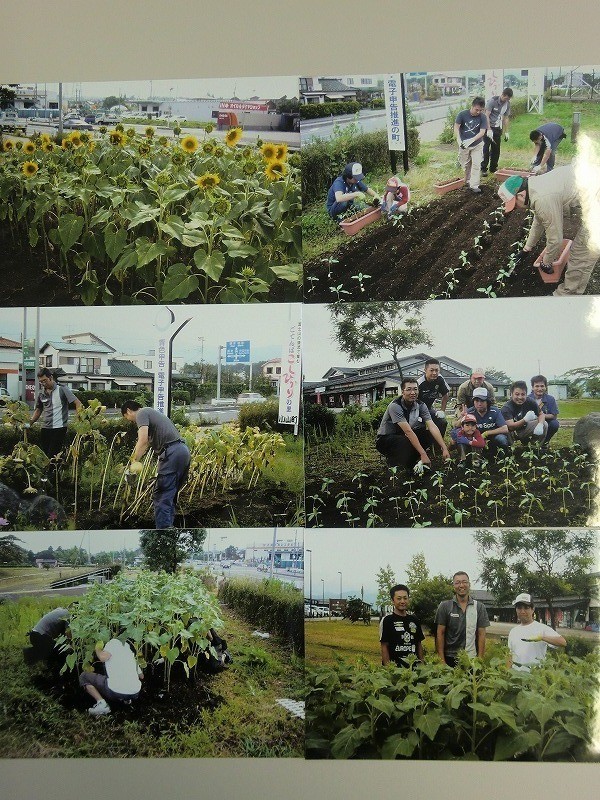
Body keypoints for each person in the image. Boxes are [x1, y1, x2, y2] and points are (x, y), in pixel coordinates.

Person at [498, 167, 600, 294]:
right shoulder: (537, 187)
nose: (516, 208)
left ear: (521, 194)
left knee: (581, 253)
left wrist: (546, 262)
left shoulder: (543, 199)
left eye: (515, 204)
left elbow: (555, 239)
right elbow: (539, 221)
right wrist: (526, 249)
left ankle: (568, 296)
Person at [121, 401, 191, 529]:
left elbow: (142, 440)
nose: (131, 421)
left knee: (162, 495)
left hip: (172, 454)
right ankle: (169, 529)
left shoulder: (141, 413)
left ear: (129, 411)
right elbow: (146, 443)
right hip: (182, 451)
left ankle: (163, 531)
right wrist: (135, 461)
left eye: (127, 418)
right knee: (170, 495)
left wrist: (132, 462)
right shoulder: (151, 413)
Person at [375, 378, 451, 472]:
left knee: (428, 435)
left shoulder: (421, 405)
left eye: (415, 389)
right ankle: (394, 461)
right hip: (386, 439)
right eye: (409, 389)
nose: (413, 392)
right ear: (403, 391)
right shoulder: (395, 406)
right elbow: (408, 431)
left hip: (404, 435)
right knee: (405, 442)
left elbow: (432, 426)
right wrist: (423, 453)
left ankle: (413, 457)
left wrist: (444, 448)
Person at [435, 572, 490, 667]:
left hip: (471, 658)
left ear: (469, 584)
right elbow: (440, 633)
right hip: (449, 657)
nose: (461, 585)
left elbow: (481, 634)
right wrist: (441, 659)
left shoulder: (479, 607)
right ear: (453, 586)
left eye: (464, 582)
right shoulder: (444, 606)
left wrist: (480, 659)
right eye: (457, 582)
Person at [79, 638, 143, 716]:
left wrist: (98, 648)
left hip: (115, 692)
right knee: (122, 678)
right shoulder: (128, 650)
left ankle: (102, 704)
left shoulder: (113, 642)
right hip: (135, 693)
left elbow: (102, 657)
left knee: (84, 676)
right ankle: (126, 700)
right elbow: (141, 676)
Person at [30, 369, 82, 458]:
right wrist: (29, 423)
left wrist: (79, 419)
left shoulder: (62, 389)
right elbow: (38, 410)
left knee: (52, 455)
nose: (43, 383)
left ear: (51, 378)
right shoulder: (41, 393)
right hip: (45, 428)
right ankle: (58, 468)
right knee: (46, 456)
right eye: (41, 382)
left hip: (59, 428)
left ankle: (52, 471)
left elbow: (78, 403)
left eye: (45, 380)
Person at [507, 592, 566, 671]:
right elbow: (510, 655)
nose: (522, 611)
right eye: (519, 608)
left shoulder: (541, 628)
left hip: (535, 678)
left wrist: (542, 637)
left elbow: (563, 642)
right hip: (516, 678)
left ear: (533, 609)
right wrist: (507, 673)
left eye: (526, 608)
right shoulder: (513, 631)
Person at [380, 584, 424, 668]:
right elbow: (384, 646)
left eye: (405, 598)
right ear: (393, 600)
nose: (402, 601)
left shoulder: (414, 620)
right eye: (399, 598)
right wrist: (388, 669)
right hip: (395, 669)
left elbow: (419, 644)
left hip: (413, 669)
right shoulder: (387, 620)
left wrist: (422, 666)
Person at [453, 97, 488, 194]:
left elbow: (482, 132)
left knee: (477, 164)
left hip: (477, 144)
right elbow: (456, 127)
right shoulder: (462, 114)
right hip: (464, 145)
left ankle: (474, 185)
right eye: (477, 109)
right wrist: (459, 140)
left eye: (480, 110)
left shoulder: (483, 117)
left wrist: (472, 139)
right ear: (472, 106)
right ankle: (467, 180)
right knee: (466, 164)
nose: (478, 112)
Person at [465, 387, 510, 454]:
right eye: (477, 401)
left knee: (501, 439)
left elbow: (504, 428)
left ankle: (503, 459)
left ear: (487, 401)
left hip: (493, 438)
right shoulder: (470, 412)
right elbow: (458, 427)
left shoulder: (495, 411)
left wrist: (487, 433)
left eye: (482, 401)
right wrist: (462, 418)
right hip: (476, 439)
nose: (479, 404)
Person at [501, 381, 548, 445]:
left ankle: (535, 448)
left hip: (524, 428)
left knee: (544, 424)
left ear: (526, 394)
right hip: (511, 432)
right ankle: (510, 450)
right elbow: (511, 427)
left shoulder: (530, 401)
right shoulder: (506, 408)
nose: (520, 397)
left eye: (523, 394)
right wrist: (525, 420)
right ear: (511, 394)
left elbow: (541, 414)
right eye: (517, 394)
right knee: (505, 431)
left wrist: (540, 424)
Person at [481, 87, 513, 176]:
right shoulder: (492, 101)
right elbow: (486, 115)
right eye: (506, 98)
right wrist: (489, 129)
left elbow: (506, 118)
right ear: (502, 95)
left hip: (498, 128)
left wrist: (506, 132)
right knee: (486, 148)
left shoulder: (507, 104)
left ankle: (493, 167)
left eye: (508, 99)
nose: (506, 100)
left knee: (496, 149)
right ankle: (483, 168)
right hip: (488, 127)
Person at [417, 358, 450, 438]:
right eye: (431, 370)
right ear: (425, 370)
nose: (434, 373)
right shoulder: (419, 383)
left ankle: (437, 445)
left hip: (428, 408)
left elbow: (446, 394)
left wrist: (442, 411)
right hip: (417, 409)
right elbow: (412, 400)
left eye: (437, 370)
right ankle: (423, 446)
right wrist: (415, 415)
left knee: (442, 422)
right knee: (420, 427)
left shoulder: (440, 379)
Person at [528, 375, 560, 446]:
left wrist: (539, 416)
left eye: (542, 386)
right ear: (532, 387)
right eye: (537, 386)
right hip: (530, 422)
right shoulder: (527, 399)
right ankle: (528, 441)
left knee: (554, 424)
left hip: (546, 422)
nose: (540, 388)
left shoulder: (550, 399)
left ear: (545, 387)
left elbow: (554, 416)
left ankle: (545, 442)